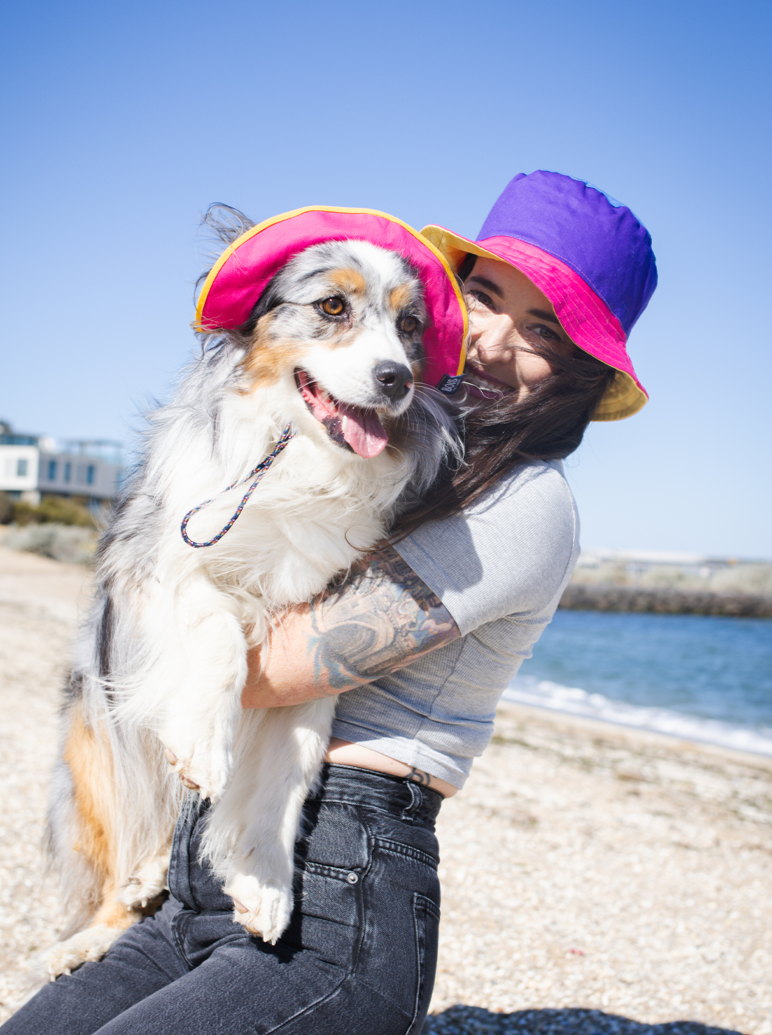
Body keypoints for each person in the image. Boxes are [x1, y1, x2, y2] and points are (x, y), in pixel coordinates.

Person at [3, 170, 657, 1035]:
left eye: (542, 333)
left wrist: (170, 590)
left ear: (575, 373)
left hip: (339, 902)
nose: (494, 345)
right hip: (201, 872)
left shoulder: (526, 504)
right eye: (484, 298)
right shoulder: (392, 452)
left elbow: (271, 673)